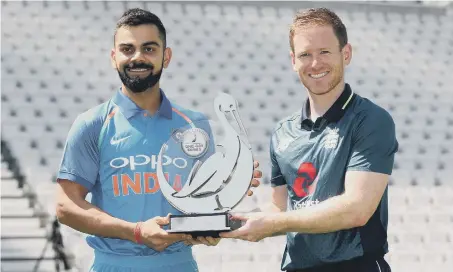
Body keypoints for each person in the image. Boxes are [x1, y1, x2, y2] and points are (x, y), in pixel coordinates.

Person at [55, 8, 261, 272]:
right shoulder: (92, 124)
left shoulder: (194, 125)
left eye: (149, 49)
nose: (137, 57)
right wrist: (137, 232)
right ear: (113, 57)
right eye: (128, 49)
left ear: (167, 56)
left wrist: (231, 184)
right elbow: (66, 206)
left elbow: (199, 203)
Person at [220, 7, 398, 272]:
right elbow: (279, 208)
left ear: (345, 54)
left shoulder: (370, 119)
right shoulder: (283, 132)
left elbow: (357, 209)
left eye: (324, 52)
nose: (315, 64)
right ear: (293, 61)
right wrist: (227, 223)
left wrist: (272, 225)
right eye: (305, 54)